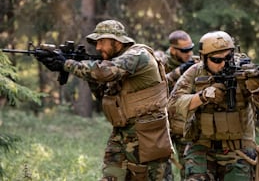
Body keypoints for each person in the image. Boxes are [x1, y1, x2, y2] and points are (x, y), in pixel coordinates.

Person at [36, 20, 174, 181]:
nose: (98, 47)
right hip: (122, 132)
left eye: (101, 41)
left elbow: (105, 72)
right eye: (96, 43)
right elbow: (104, 96)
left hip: (147, 134)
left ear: (117, 41)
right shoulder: (116, 61)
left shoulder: (137, 55)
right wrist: (80, 66)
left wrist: (66, 63)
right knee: (111, 176)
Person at [167, 31, 259, 181]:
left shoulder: (244, 70)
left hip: (238, 149)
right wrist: (202, 97)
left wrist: (258, 89)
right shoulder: (195, 72)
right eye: (216, 60)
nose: (223, 63)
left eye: (228, 58)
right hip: (202, 147)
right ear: (204, 58)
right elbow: (173, 105)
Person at [155, 30, 198, 180]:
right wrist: (179, 72)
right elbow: (156, 86)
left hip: (183, 125)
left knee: (190, 169)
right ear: (173, 49)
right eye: (184, 50)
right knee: (161, 173)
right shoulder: (160, 62)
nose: (189, 53)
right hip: (162, 125)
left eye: (190, 48)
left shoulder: (194, 63)